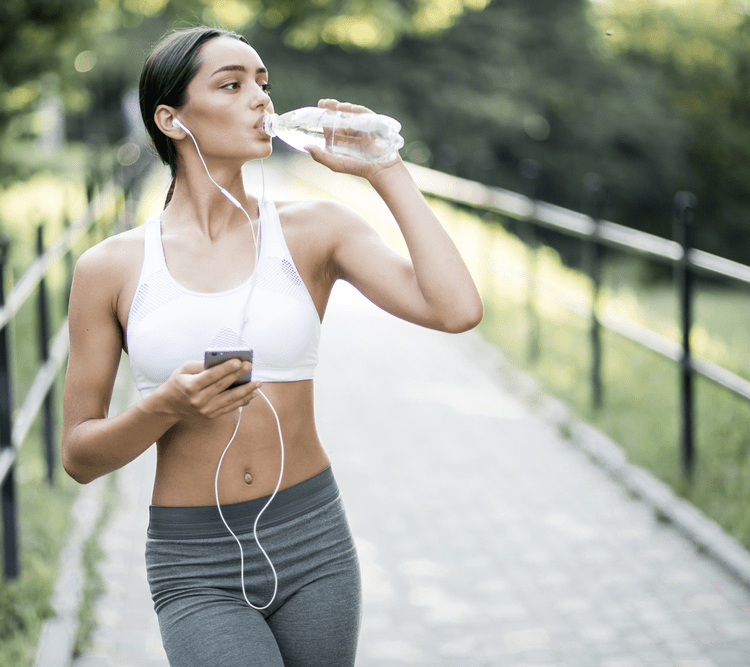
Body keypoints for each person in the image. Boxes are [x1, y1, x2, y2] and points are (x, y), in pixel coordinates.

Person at [61, 25, 483, 667]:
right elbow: (79, 455)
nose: (260, 98)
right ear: (172, 119)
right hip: (193, 560)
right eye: (232, 85)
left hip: (313, 543)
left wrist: (384, 170)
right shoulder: (110, 267)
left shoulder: (318, 230)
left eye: (263, 82)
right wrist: (165, 408)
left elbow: (456, 310)